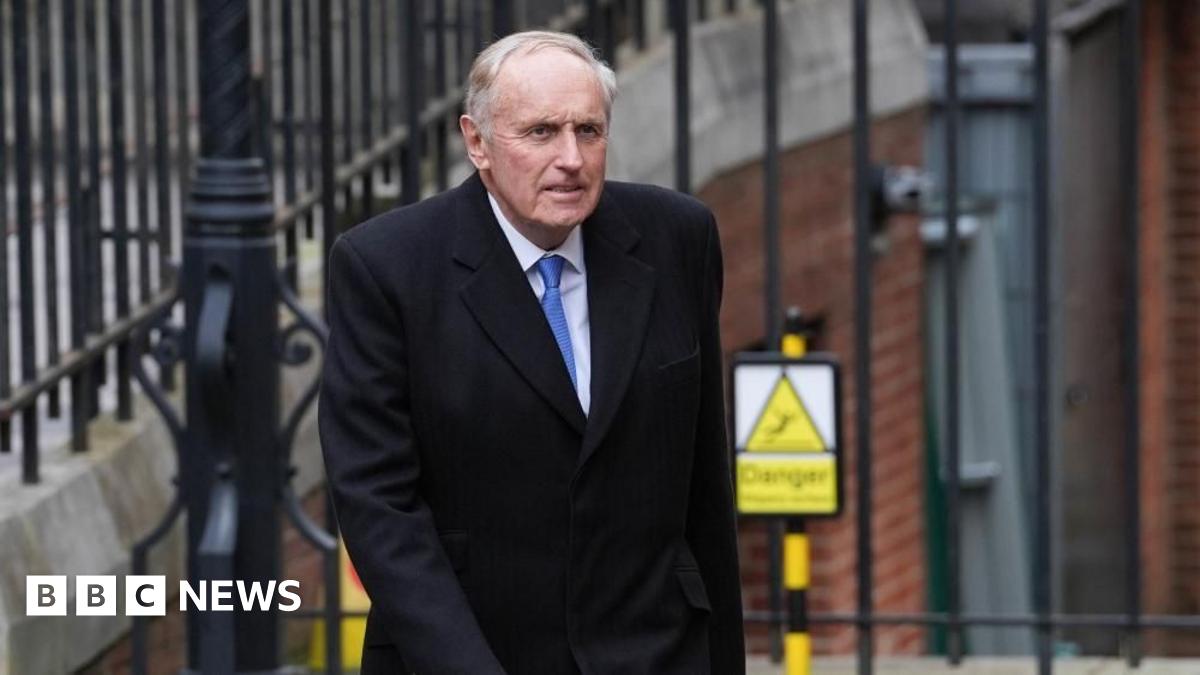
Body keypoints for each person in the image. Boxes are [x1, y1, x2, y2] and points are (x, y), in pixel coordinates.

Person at [319, 30, 745, 675]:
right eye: (542, 132)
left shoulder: (677, 238)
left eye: (589, 131)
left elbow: (704, 486)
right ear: (477, 142)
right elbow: (380, 507)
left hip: (657, 651)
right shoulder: (387, 267)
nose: (572, 157)